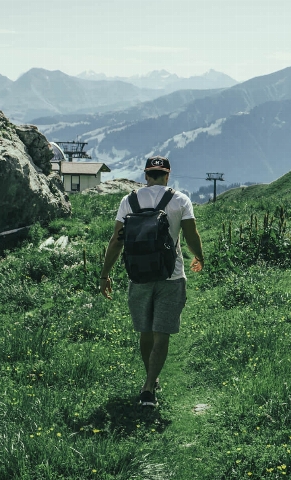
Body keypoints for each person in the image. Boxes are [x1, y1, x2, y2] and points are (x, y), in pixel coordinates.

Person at [99, 156, 204, 407]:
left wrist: (105, 274)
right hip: (172, 275)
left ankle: (150, 379)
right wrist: (199, 256)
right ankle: (149, 386)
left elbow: (117, 240)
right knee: (161, 334)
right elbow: (191, 234)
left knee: (145, 332)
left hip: (138, 276)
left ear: (146, 175)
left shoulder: (129, 201)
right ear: (167, 175)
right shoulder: (180, 200)